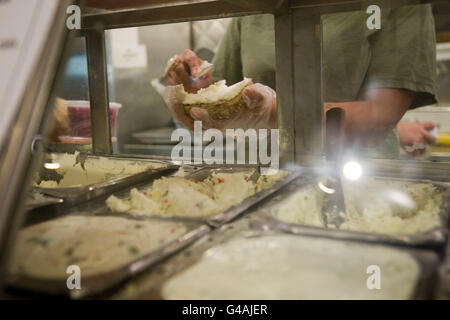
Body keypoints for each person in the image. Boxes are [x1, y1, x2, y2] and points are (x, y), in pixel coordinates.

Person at [164, 5, 437, 159]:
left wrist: (272, 114)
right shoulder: (253, 9)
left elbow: (379, 119)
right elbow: (224, 99)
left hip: (355, 181)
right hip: (257, 179)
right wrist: (191, 91)